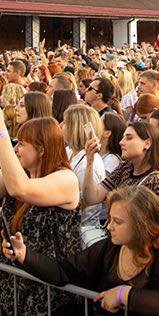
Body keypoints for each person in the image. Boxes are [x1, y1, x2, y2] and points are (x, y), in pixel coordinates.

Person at [0, 93, 82, 316]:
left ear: (42, 149)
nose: (16, 149)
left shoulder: (66, 178)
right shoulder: (20, 174)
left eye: (22, 144)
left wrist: (0, 132)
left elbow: (20, 189)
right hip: (15, 287)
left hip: (49, 294)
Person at [4, 186, 159, 316]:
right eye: (110, 219)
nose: (110, 226)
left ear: (141, 224)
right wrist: (24, 255)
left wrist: (123, 294)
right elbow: (63, 271)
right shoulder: (110, 248)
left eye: (118, 221)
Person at [82, 120, 159, 210]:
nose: (121, 142)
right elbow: (92, 198)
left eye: (129, 138)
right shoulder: (125, 167)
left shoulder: (156, 182)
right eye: (123, 138)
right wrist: (90, 161)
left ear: (147, 143)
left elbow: (142, 218)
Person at [62, 104, 107, 245]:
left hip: (79, 232)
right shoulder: (69, 151)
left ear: (75, 128)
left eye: (65, 122)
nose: (61, 125)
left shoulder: (88, 164)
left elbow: (83, 204)